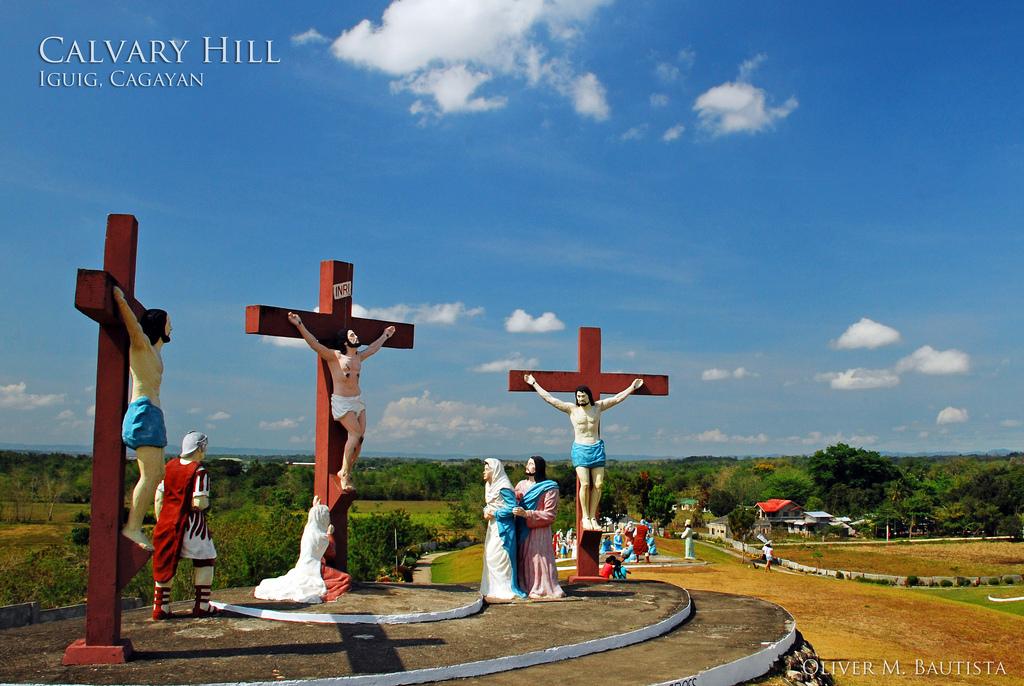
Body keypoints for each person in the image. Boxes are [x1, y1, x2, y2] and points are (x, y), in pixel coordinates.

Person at [287, 312, 395, 493]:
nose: (356, 336)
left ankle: (346, 470)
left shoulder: (358, 357)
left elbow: (373, 349)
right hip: (342, 401)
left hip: (357, 401)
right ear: (345, 341)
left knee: (360, 439)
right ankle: (344, 474)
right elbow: (314, 344)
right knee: (354, 434)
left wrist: (385, 335)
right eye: (352, 335)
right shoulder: (335, 356)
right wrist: (299, 324)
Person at [523, 374, 643, 530]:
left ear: (588, 396)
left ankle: (593, 517)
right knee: (585, 484)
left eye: (582, 395)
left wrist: (631, 388)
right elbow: (550, 399)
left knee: (598, 485)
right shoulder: (571, 409)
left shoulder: (598, 407)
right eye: (577, 396)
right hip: (580, 449)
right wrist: (534, 384)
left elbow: (616, 399)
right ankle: (585, 517)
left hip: (596, 448)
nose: (579, 398)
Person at [113, 286, 170, 551]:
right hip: (144, 410)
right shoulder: (142, 346)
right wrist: (120, 300)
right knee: (149, 475)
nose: (172, 328)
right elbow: (134, 327)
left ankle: (144, 523)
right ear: (159, 325)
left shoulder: (156, 352)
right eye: (169, 323)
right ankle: (132, 526)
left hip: (153, 413)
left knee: (158, 474)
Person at [151, 431, 217, 619]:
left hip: (167, 520)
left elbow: (158, 497)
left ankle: (160, 606)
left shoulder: (169, 467)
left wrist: (161, 519)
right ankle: (202, 604)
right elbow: (199, 502)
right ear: (200, 448)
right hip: (191, 523)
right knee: (206, 558)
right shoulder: (199, 471)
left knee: (165, 560)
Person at [254, 496, 350, 603]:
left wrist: (315, 508)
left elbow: (315, 516)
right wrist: (330, 535)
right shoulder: (320, 536)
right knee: (345, 579)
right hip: (315, 568)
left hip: (303, 565)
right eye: (326, 516)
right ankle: (326, 596)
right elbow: (332, 552)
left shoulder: (308, 530)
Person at [512, 456, 564, 599]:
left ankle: (542, 587)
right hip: (522, 529)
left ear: (538, 467)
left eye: (531, 464)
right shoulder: (521, 485)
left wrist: (527, 513)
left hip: (538, 531)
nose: (527, 466)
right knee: (524, 558)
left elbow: (550, 514)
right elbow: (513, 502)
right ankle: (525, 585)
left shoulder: (550, 487)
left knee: (538, 558)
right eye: (527, 463)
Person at [480, 458, 526, 602]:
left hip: (503, 528)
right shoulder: (489, 486)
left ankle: (504, 588)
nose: (484, 471)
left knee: (501, 558)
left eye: (487, 469)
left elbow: (512, 508)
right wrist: (486, 511)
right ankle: (492, 587)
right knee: (490, 556)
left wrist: (495, 513)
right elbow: (490, 505)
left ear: (495, 470)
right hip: (493, 526)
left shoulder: (504, 486)